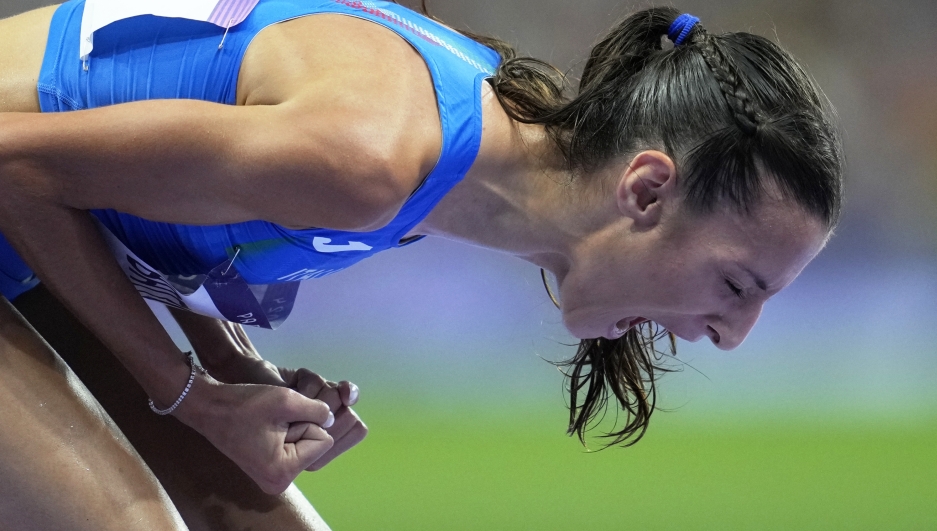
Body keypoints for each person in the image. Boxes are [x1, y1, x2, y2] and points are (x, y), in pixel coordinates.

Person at [0, 1, 843, 529]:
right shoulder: (369, 156)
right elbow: (16, 166)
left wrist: (232, 372)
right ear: (648, 190)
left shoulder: (461, 137)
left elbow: (128, 195)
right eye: (738, 286)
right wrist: (194, 397)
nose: (732, 336)